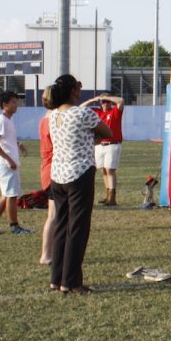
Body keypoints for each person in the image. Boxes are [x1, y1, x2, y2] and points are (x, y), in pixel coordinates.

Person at [48, 75, 112, 294]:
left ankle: (56, 279)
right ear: (73, 91)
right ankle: (71, 282)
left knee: (61, 226)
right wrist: (89, 140)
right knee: (77, 229)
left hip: (57, 175)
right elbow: (107, 132)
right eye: (78, 87)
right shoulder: (83, 113)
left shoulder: (52, 115)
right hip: (79, 173)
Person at [0, 91, 30, 235]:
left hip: (8, 163)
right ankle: (14, 226)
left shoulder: (7, 120)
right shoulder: (2, 120)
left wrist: (18, 144)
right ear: (4, 105)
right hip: (6, 164)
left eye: (16, 102)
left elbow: (5, 140)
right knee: (11, 196)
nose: (16, 105)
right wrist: (9, 159)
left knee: (6, 195)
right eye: (13, 102)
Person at [81, 93, 125, 206]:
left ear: (110, 102)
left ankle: (112, 197)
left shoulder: (114, 111)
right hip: (99, 145)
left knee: (110, 169)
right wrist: (93, 99)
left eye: (107, 101)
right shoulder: (97, 112)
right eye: (103, 102)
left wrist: (107, 98)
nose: (105, 104)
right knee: (103, 170)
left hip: (112, 144)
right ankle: (108, 195)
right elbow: (80, 108)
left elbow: (121, 101)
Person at [38, 87, 57, 264]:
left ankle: (49, 253)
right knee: (54, 215)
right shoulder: (54, 119)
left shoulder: (44, 119)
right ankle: (46, 254)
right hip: (54, 170)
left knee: (54, 215)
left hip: (47, 168)